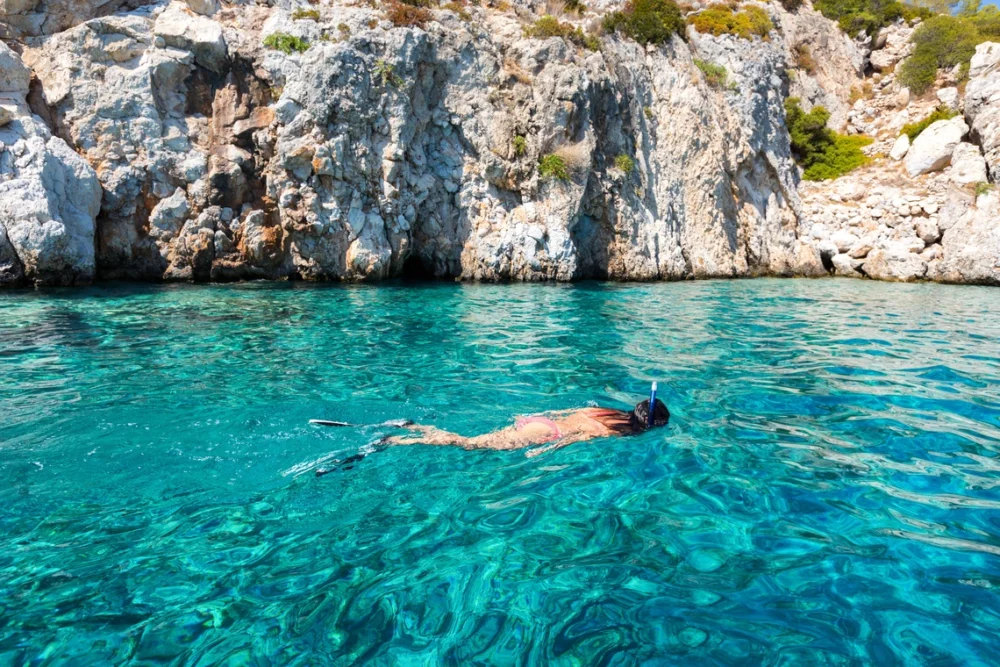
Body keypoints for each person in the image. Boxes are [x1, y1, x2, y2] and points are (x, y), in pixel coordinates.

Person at [385, 398, 670, 457]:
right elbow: (576, 438)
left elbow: (565, 412)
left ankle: (415, 427)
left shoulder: (602, 411)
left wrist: (533, 416)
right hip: (546, 434)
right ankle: (401, 440)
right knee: (469, 443)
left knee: (473, 440)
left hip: (541, 422)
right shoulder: (611, 432)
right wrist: (545, 452)